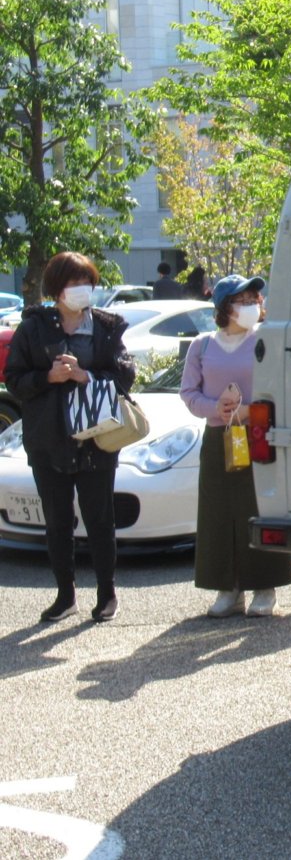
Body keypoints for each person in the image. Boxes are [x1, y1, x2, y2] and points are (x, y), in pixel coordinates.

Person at [4, 252, 136, 623]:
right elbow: (14, 380)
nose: (82, 290)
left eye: (87, 282)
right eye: (74, 284)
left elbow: (126, 375)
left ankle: (107, 593)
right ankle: (65, 595)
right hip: (49, 438)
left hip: (97, 437)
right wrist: (49, 377)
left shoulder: (107, 327)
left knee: (100, 518)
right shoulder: (34, 328)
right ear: (56, 290)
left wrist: (85, 376)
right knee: (57, 521)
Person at [180, 275, 291, 617]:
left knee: (258, 506)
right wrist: (215, 408)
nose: (251, 306)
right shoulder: (202, 345)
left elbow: (285, 387)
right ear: (224, 307)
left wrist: (250, 411)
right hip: (220, 436)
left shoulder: (266, 341)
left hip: (258, 433)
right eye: (242, 300)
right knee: (217, 511)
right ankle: (227, 588)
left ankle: (265, 587)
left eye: (254, 299)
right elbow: (189, 393)